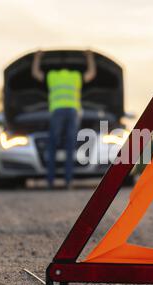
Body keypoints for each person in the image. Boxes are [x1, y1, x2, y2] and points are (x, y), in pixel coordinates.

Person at [32, 49, 97, 189]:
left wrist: (37, 58)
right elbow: (91, 74)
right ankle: (68, 182)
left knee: (53, 145)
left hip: (57, 112)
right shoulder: (75, 76)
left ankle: (50, 182)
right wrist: (90, 57)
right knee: (70, 146)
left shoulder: (52, 76)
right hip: (72, 112)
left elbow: (35, 74)